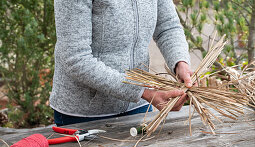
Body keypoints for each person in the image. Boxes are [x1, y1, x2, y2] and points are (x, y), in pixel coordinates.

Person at [50, 0, 193, 126]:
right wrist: (142, 92)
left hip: (138, 106)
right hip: (85, 115)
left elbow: (167, 27)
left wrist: (180, 62)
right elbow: (75, 58)